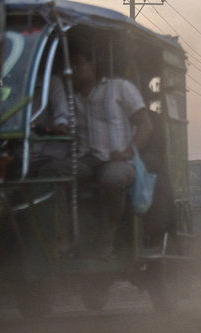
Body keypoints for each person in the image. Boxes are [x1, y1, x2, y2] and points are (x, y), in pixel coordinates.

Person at [42, 42, 152, 257]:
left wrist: (128, 152)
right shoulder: (70, 99)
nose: (72, 69)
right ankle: (62, 240)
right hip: (85, 159)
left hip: (118, 160)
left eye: (77, 63)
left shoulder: (119, 87)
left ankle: (106, 240)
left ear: (91, 65)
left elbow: (146, 125)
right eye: (68, 65)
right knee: (52, 173)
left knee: (112, 178)